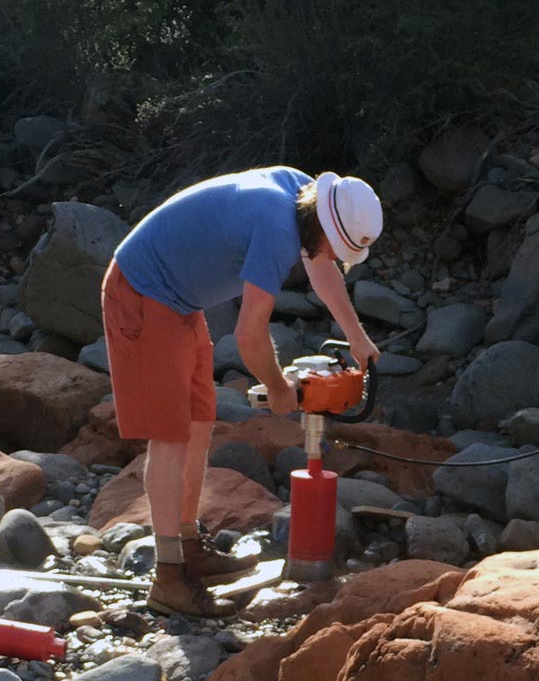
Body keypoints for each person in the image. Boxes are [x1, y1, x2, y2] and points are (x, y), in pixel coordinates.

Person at [101, 166, 383, 616]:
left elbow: (320, 264)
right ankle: (169, 577)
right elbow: (249, 336)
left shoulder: (301, 194)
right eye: (341, 248)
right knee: (170, 436)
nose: (338, 257)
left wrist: (356, 335)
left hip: (179, 301)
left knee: (197, 424)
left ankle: (189, 544)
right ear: (327, 227)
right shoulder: (276, 229)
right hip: (140, 291)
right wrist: (277, 388)